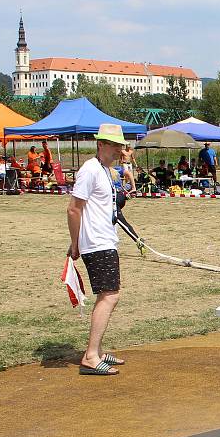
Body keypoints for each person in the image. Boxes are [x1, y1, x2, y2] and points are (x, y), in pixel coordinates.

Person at [67, 123, 131, 375]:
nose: (119, 149)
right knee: (110, 295)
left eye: (120, 145)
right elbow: (74, 208)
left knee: (107, 294)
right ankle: (91, 356)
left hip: (104, 240)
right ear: (100, 144)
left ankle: (97, 351)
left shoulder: (105, 169)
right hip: (96, 243)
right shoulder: (90, 170)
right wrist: (75, 244)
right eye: (114, 145)